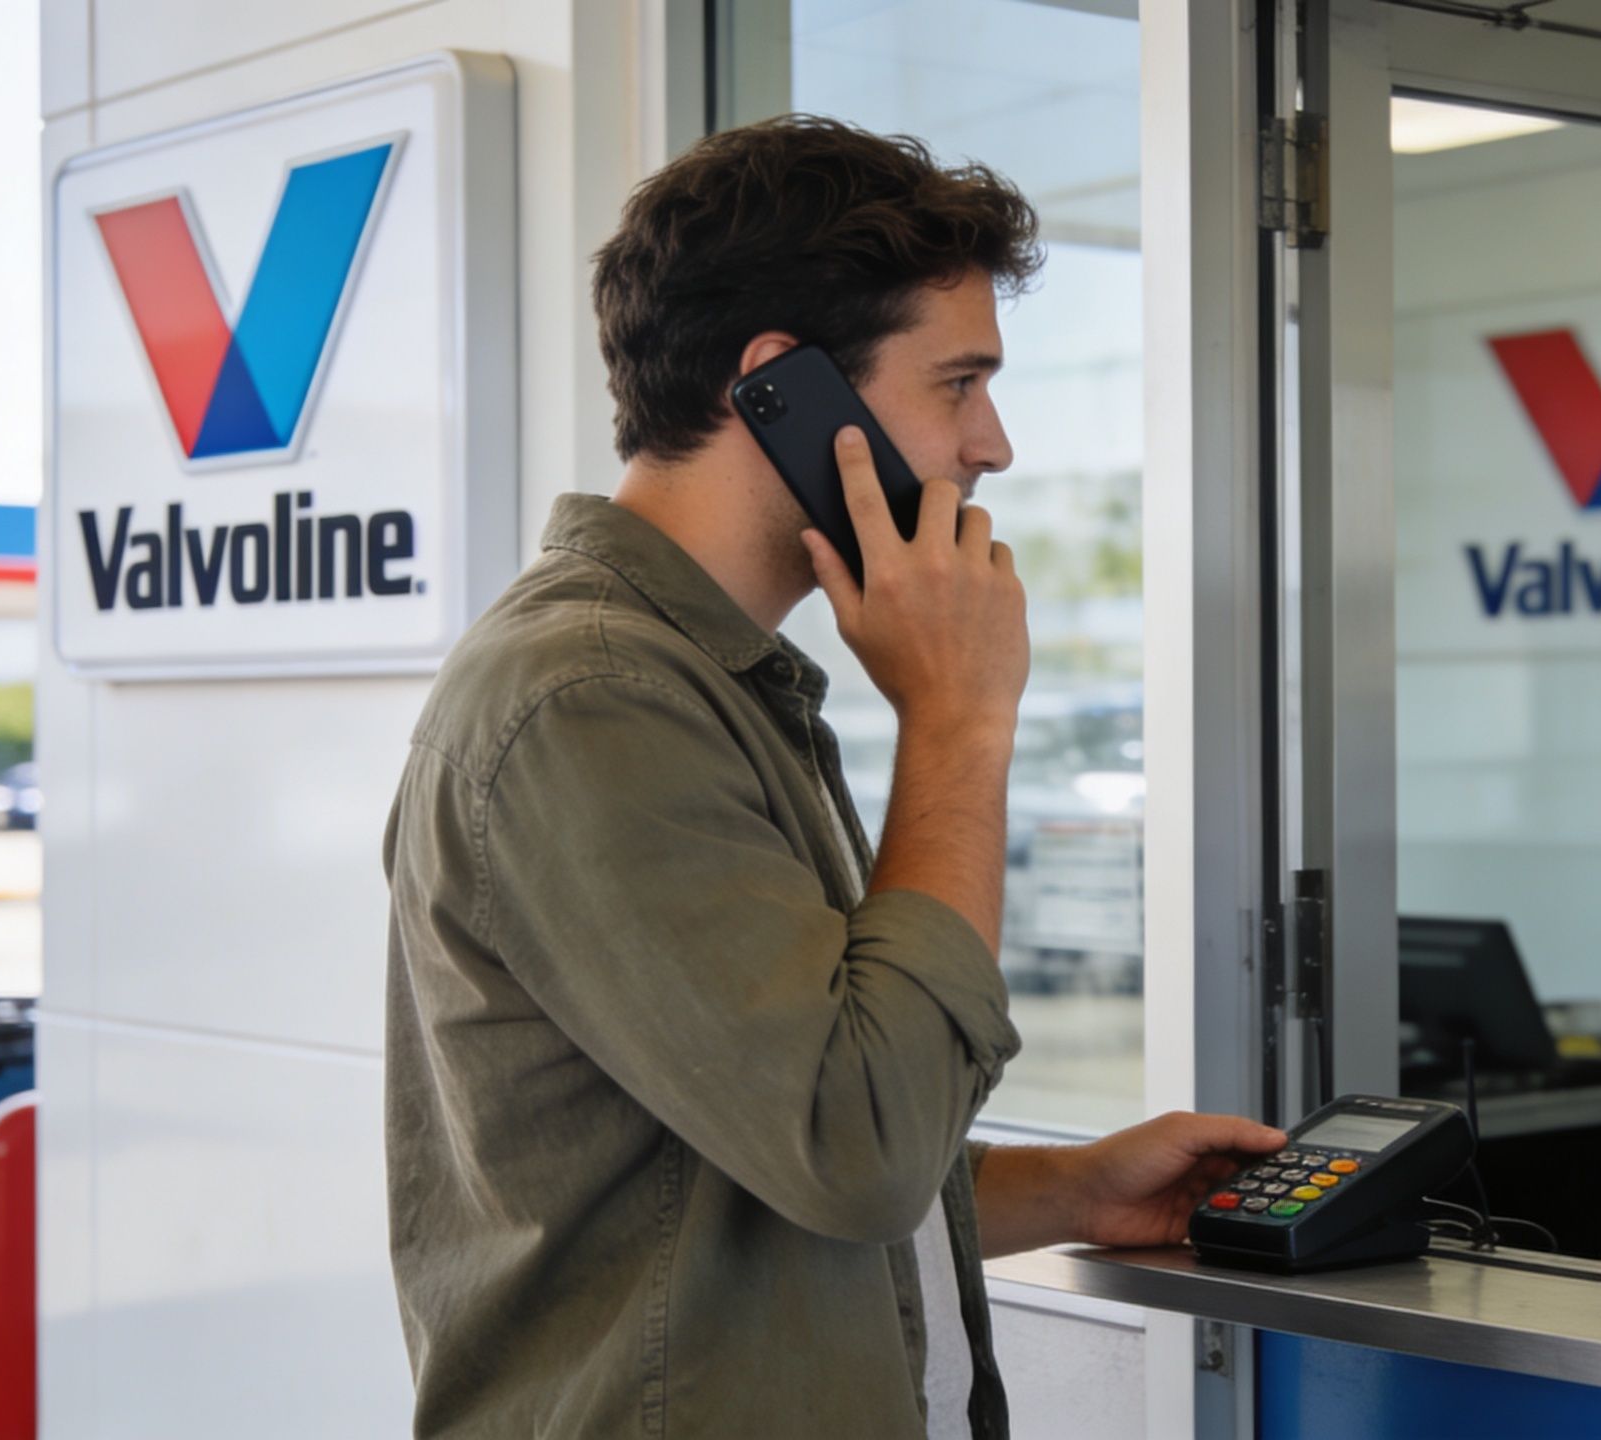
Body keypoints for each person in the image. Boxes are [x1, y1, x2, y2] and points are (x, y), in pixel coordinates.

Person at [381, 116, 1285, 1438]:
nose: (994, 445)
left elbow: (747, 1167)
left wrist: (1076, 1192)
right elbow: (851, 1144)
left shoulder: (699, 679)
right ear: (782, 389)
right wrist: (962, 719)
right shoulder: (592, 697)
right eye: (958, 383)